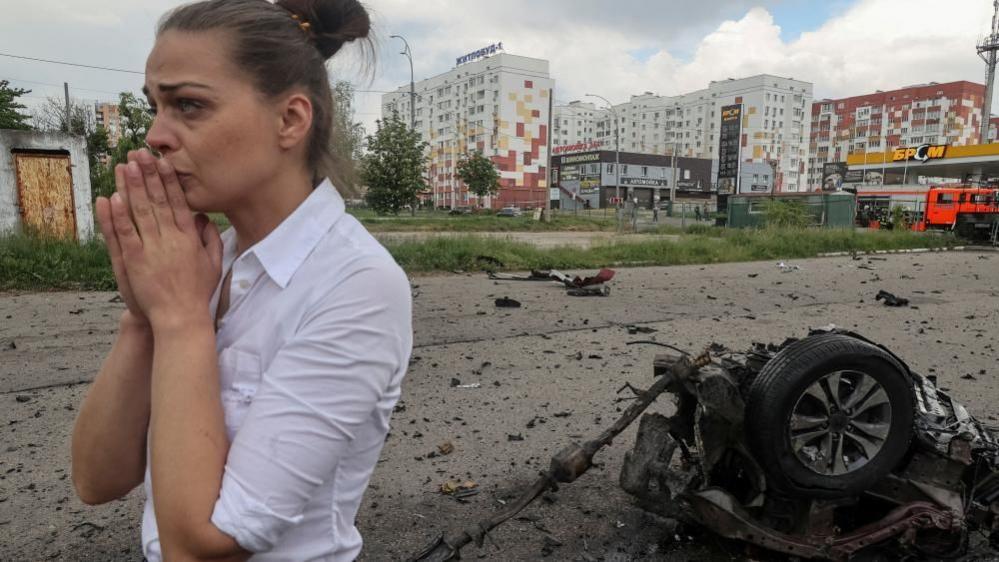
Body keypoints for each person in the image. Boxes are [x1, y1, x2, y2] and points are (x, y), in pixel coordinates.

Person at [70, 1, 412, 560]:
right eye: (155, 106)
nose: (156, 135)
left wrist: (181, 321)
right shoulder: (202, 263)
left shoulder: (356, 283)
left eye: (188, 105)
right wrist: (142, 318)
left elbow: (201, 548)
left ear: (290, 121)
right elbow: (96, 479)